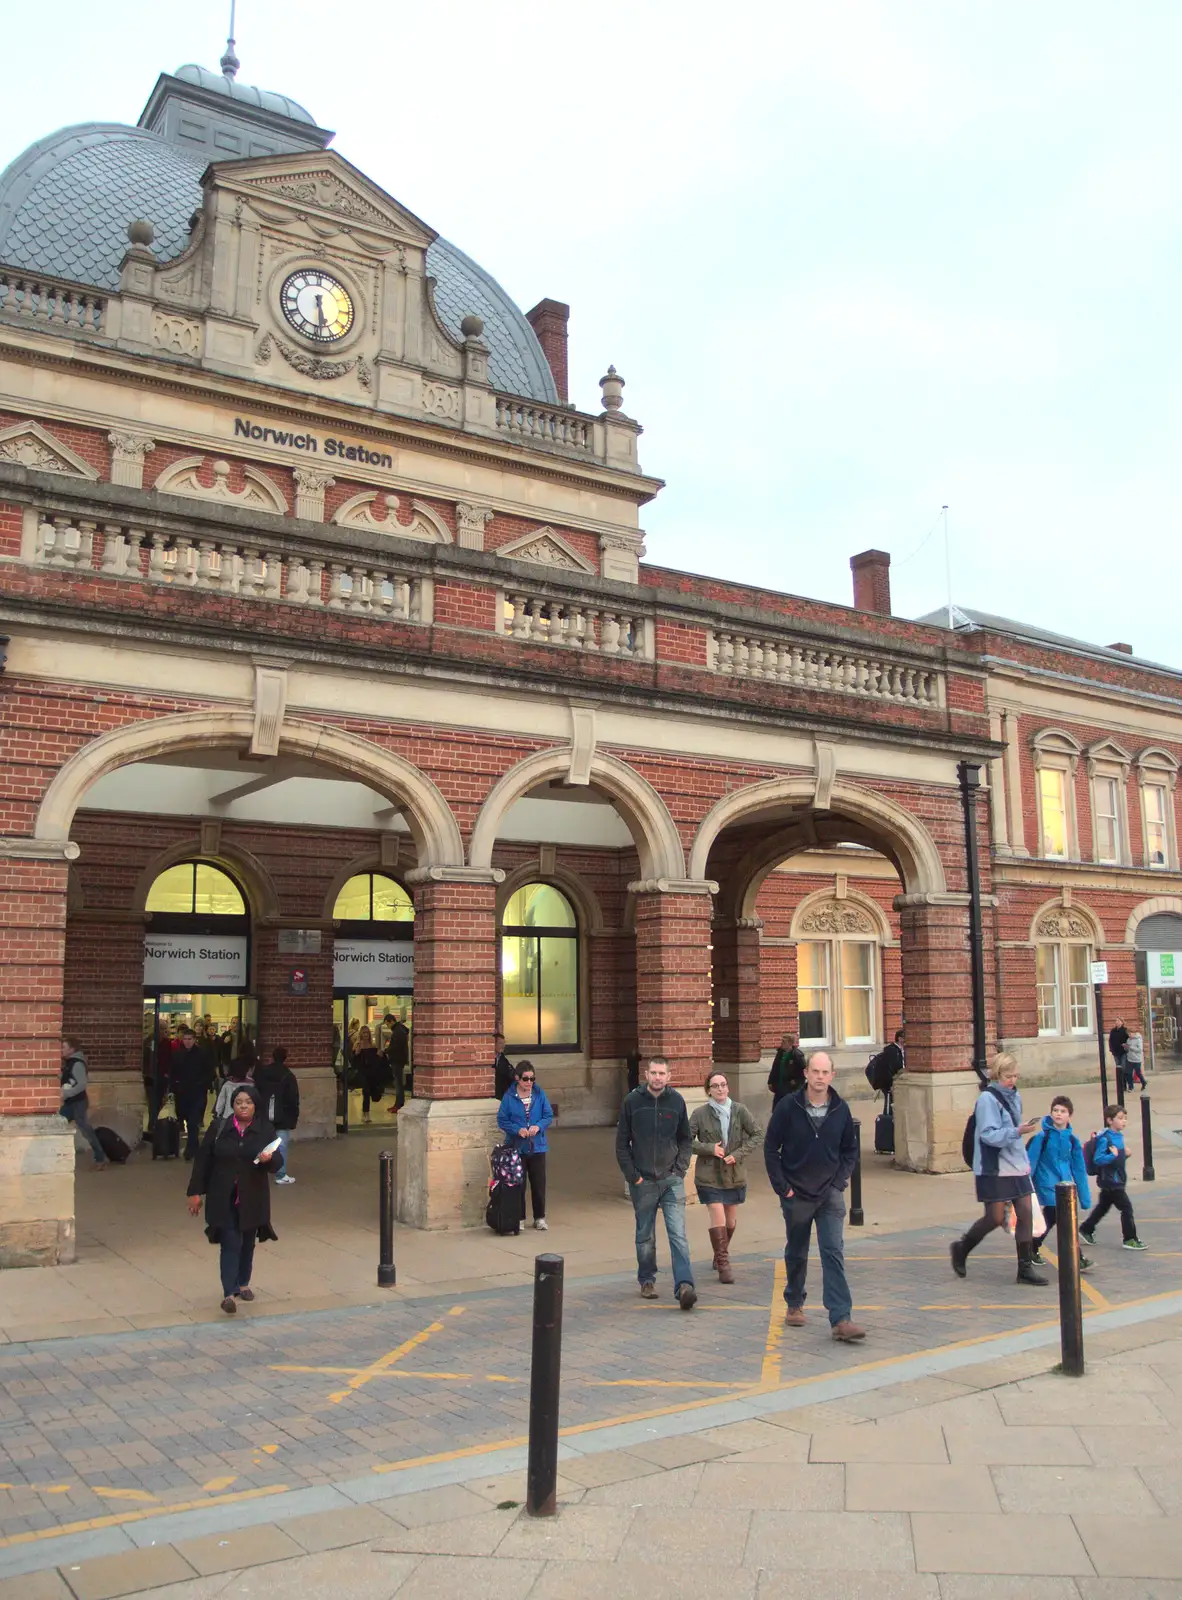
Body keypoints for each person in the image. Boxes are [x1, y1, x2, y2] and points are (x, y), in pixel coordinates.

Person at [764, 1052, 864, 1341]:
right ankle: (794, 1301)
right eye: (815, 1071)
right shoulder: (788, 1107)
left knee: (833, 1251)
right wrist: (784, 1188)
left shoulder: (840, 1110)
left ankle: (841, 1319)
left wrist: (839, 1182)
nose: (820, 1077)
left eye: (825, 1072)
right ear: (806, 1074)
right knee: (797, 1252)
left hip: (829, 1194)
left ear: (832, 1076)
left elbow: (850, 1151)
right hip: (797, 1193)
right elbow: (771, 1149)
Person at [950, 1051, 1046, 1285]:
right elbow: (988, 1135)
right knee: (994, 1217)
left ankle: (1024, 1269)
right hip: (993, 1166)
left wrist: (1018, 1131)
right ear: (997, 1074)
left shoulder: (1015, 1095)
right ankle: (962, 1248)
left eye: (1016, 1076)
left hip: (1015, 1162)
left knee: (1025, 1213)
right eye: (1008, 1076)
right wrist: (1017, 1131)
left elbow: (1012, 1126)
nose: (1012, 1081)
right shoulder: (987, 1100)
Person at [186, 1084, 279, 1314]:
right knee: (230, 1242)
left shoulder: (265, 1130)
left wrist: (268, 1159)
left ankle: (243, 1282)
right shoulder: (220, 1127)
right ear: (233, 1105)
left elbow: (278, 1164)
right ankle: (229, 1293)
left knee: (247, 1241)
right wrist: (195, 1192)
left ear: (255, 1105)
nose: (243, 1106)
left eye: (248, 1102)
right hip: (223, 1196)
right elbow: (203, 1161)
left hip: (252, 1197)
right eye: (239, 1102)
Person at [615, 1058, 697, 1309]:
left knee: (678, 1235)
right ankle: (647, 1279)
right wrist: (634, 1177)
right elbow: (621, 1145)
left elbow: (686, 1139)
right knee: (645, 1235)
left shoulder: (677, 1101)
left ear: (669, 1076)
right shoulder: (632, 1102)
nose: (658, 1077)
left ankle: (685, 1285)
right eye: (653, 1073)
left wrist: (680, 1169)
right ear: (646, 1074)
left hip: (671, 1179)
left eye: (662, 1073)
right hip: (644, 1181)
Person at [690, 1070, 761, 1283]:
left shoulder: (740, 1110)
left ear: (728, 1087)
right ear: (708, 1091)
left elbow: (757, 1135)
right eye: (715, 1086)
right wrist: (709, 1148)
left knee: (730, 1220)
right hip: (708, 1175)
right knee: (718, 1215)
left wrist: (737, 1155)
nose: (720, 1089)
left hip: (733, 1175)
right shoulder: (700, 1114)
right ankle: (723, 1263)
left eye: (723, 1084)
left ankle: (719, 1251)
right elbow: (685, 1139)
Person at [1025, 1095, 1093, 1271]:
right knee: (1062, 1218)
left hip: (1065, 1185)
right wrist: (1026, 1186)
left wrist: (1084, 1197)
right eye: (1055, 1110)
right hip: (1046, 1183)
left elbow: (1079, 1168)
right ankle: (1078, 1258)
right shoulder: (1043, 1137)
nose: (1058, 1114)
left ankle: (1031, 1246)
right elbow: (1031, 1162)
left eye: (1063, 1111)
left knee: (1052, 1218)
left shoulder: (1072, 1140)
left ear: (1069, 1115)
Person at [1080, 1106, 1147, 1250]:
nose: (1124, 1121)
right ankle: (1129, 1239)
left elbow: (1116, 1161)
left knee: (1103, 1206)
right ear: (1110, 1120)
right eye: (1120, 1118)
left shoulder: (1119, 1137)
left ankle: (1086, 1228)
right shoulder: (1106, 1138)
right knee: (1126, 1209)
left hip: (1115, 1179)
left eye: (1125, 1118)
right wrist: (1114, 1155)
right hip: (1111, 1181)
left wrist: (1124, 1155)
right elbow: (1099, 1159)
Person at [497, 1060, 553, 1230]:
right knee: (518, 1185)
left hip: (537, 1146)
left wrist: (539, 1126)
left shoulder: (539, 1094)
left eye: (532, 1079)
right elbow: (502, 1120)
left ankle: (539, 1217)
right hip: (517, 1148)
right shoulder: (509, 1097)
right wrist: (517, 1130)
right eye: (525, 1079)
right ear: (517, 1079)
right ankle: (519, 1217)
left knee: (538, 1184)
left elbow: (548, 1115)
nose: (529, 1082)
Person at [60, 1036, 109, 1170]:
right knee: (59, 1123)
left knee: (86, 1130)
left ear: (72, 1049)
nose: (61, 1050)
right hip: (72, 1102)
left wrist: (65, 1093)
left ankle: (100, 1158)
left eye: (63, 1047)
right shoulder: (71, 1062)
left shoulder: (76, 1063)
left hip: (77, 1102)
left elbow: (81, 1084)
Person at [253, 1047, 300, 1184]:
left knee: (261, 1142)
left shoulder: (263, 1073)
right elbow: (293, 1099)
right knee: (281, 1145)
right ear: (285, 1058)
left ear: (272, 1057)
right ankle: (281, 1174)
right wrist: (293, 1117)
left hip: (263, 1114)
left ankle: (257, 1170)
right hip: (282, 1116)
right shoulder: (288, 1075)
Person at [169, 1027, 215, 1160]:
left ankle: (190, 1150)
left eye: (190, 1039)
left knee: (193, 1122)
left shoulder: (202, 1054)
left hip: (197, 1093)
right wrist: (173, 1088)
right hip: (182, 1094)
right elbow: (173, 1072)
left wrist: (203, 1085)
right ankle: (193, 1146)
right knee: (186, 1120)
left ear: (194, 1040)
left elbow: (209, 1072)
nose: (187, 1042)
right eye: (185, 1039)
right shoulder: (177, 1055)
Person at [353, 1026, 387, 1124]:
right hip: (362, 1072)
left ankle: (366, 1111)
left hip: (372, 1072)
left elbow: (376, 1060)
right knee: (366, 1092)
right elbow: (354, 1061)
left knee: (374, 1093)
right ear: (360, 1034)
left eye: (367, 1033)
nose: (365, 1035)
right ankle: (366, 1113)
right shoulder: (357, 1045)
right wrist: (357, 1053)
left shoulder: (373, 1045)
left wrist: (379, 1055)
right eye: (363, 1033)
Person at [767, 1033, 806, 1105]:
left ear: (790, 1043)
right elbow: (775, 1068)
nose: (781, 1043)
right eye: (781, 1041)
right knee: (777, 1107)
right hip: (779, 1086)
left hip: (791, 1088)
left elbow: (804, 1071)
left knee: (789, 1107)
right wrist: (770, 1081)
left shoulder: (797, 1055)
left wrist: (796, 1081)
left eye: (784, 1041)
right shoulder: (780, 1053)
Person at [386, 1014, 410, 1114]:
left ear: (391, 1021)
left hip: (397, 1060)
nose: (387, 1026)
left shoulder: (397, 1031)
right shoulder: (401, 1029)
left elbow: (395, 1047)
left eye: (387, 1023)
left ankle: (399, 1105)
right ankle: (397, 1104)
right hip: (400, 1060)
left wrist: (386, 1050)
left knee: (398, 1083)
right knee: (398, 1083)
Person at [492, 1032, 517, 1100]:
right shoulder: (487, 1059)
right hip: (492, 1093)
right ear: (493, 1044)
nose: (503, 1045)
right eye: (500, 1043)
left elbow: (511, 1073)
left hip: (502, 1095)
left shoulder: (503, 1059)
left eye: (504, 1043)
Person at [1108, 1017, 1129, 1087]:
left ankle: (1124, 1084)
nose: (1116, 1022)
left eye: (1118, 1020)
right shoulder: (1113, 1031)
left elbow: (1128, 1040)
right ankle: (1120, 1085)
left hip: (1123, 1052)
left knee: (1123, 1068)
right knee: (1118, 1069)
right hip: (1115, 1052)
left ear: (1122, 1022)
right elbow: (1110, 1041)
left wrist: (1126, 1046)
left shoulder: (1125, 1030)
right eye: (1116, 1020)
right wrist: (1111, 1049)